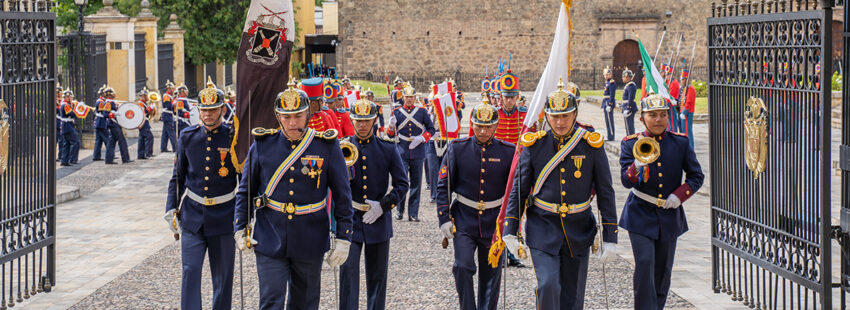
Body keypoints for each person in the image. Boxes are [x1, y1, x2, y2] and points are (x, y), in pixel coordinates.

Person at [234, 81, 353, 309]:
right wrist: (240, 227)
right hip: (270, 234)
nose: (292, 122)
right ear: (277, 116)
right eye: (286, 116)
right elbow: (245, 190)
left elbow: (342, 195)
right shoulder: (262, 145)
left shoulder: (326, 146)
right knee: (270, 300)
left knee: (306, 303)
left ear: (308, 113)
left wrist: (344, 237)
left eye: (298, 116)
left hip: (310, 236)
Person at [504, 79, 618, 309]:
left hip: (578, 228)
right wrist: (510, 229)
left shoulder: (590, 145)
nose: (560, 122)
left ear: (575, 114)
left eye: (565, 115)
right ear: (546, 115)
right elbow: (520, 190)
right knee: (548, 285)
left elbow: (606, 192)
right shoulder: (535, 145)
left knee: (573, 297)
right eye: (555, 116)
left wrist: (610, 237)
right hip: (542, 227)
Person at [619, 94, 704, 310]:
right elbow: (625, 182)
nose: (658, 120)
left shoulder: (680, 142)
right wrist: (635, 166)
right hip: (639, 214)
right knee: (645, 264)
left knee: (663, 271)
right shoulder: (630, 144)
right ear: (642, 118)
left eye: (663, 115)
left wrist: (680, 195)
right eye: (653, 115)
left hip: (669, 214)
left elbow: (696, 176)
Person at [164, 82, 238, 310]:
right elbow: (178, 177)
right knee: (190, 270)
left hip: (224, 216)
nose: (207, 114)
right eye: (204, 110)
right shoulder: (188, 136)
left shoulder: (233, 137)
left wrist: (245, 216)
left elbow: (245, 179)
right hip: (193, 216)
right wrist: (170, 208)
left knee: (223, 277)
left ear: (223, 109)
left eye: (213, 109)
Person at [436, 103, 516, 310]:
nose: (482, 131)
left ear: (496, 126)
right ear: (471, 124)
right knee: (462, 266)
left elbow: (514, 191)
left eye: (488, 127)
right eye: (478, 126)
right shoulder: (457, 148)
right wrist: (444, 217)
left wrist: (512, 223)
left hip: (494, 222)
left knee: (491, 274)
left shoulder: (509, 152)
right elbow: (443, 185)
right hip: (464, 219)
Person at [339, 99, 410, 310]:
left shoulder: (387, 149)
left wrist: (384, 205)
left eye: (367, 121)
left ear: (374, 121)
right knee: (348, 276)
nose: (362, 125)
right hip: (350, 218)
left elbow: (402, 183)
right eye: (358, 121)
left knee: (377, 278)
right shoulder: (341, 147)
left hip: (378, 219)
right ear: (352, 120)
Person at [386, 84, 436, 222]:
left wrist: (422, 138)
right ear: (403, 97)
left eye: (411, 97)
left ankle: (413, 213)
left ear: (415, 98)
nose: (408, 100)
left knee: (416, 183)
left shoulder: (422, 112)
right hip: (401, 152)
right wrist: (391, 126)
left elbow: (431, 129)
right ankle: (399, 211)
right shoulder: (396, 112)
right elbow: (390, 136)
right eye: (406, 97)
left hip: (418, 152)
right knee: (401, 183)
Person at [103, 87, 133, 164]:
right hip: (113, 124)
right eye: (113, 93)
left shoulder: (111, 102)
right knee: (122, 141)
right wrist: (112, 114)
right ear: (109, 95)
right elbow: (105, 114)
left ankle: (108, 160)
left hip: (114, 124)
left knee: (111, 142)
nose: (114, 94)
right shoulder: (108, 103)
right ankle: (125, 158)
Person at [57, 89, 79, 166]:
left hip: (67, 126)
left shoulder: (66, 104)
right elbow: (72, 114)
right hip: (67, 126)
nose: (72, 99)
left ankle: (64, 161)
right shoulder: (65, 105)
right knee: (75, 142)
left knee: (66, 144)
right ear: (67, 97)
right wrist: (76, 107)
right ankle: (72, 159)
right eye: (71, 97)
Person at [678, 70, 696, 148]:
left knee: (687, 132)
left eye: (683, 79)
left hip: (687, 113)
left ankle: (690, 148)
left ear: (686, 79)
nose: (681, 81)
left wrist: (684, 112)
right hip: (683, 112)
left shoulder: (690, 89)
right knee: (684, 132)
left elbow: (688, 102)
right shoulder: (685, 88)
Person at [136, 88, 155, 160]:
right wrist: (150, 108)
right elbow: (142, 112)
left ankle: (140, 155)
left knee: (142, 139)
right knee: (150, 137)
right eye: (147, 96)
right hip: (143, 122)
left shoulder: (144, 103)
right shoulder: (140, 103)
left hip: (144, 122)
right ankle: (149, 153)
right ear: (143, 96)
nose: (148, 97)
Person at [160, 80, 178, 152]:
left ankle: (163, 148)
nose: (173, 90)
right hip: (167, 115)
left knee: (165, 134)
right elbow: (168, 106)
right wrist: (174, 103)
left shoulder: (170, 96)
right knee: (172, 133)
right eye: (172, 89)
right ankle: (175, 148)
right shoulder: (167, 96)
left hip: (167, 115)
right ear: (169, 89)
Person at [92, 85, 109, 161]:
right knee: (107, 139)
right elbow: (104, 111)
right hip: (101, 123)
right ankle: (109, 154)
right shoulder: (101, 102)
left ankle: (96, 156)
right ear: (103, 94)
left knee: (98, 141)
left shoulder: (102, 101)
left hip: (99, 122)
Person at [663, 65, 681, 133]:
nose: (667, 76)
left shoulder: (674, 83)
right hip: (668, 103)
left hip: (671, 103)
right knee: (669, 122)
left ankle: (674, 134)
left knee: (673, 123)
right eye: (667, 74)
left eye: (669, 74)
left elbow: (670, 95)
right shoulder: (667, 82)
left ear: (672, 74)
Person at [601, 66, 617, 141]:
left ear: (610, 75)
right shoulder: (607, 82)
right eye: (605, 75)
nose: (606, 76)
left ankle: (611, 136)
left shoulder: (611, 83)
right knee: (607, 121)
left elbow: (612, 94)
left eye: (607, 74)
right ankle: (609, 136)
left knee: (610, 121)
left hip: (608, 103)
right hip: (605, 102)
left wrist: (610, 104)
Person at [621, 69, 638, 136]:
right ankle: (629, 138)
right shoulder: (628, 85)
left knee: (629, 126)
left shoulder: (631, 85)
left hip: (629, 107)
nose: (622, 78)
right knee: (627, 125)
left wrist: (628, 108)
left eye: (623, 76)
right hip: (626, 106)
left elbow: (631, 98)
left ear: (627, 77)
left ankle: (631, 139)